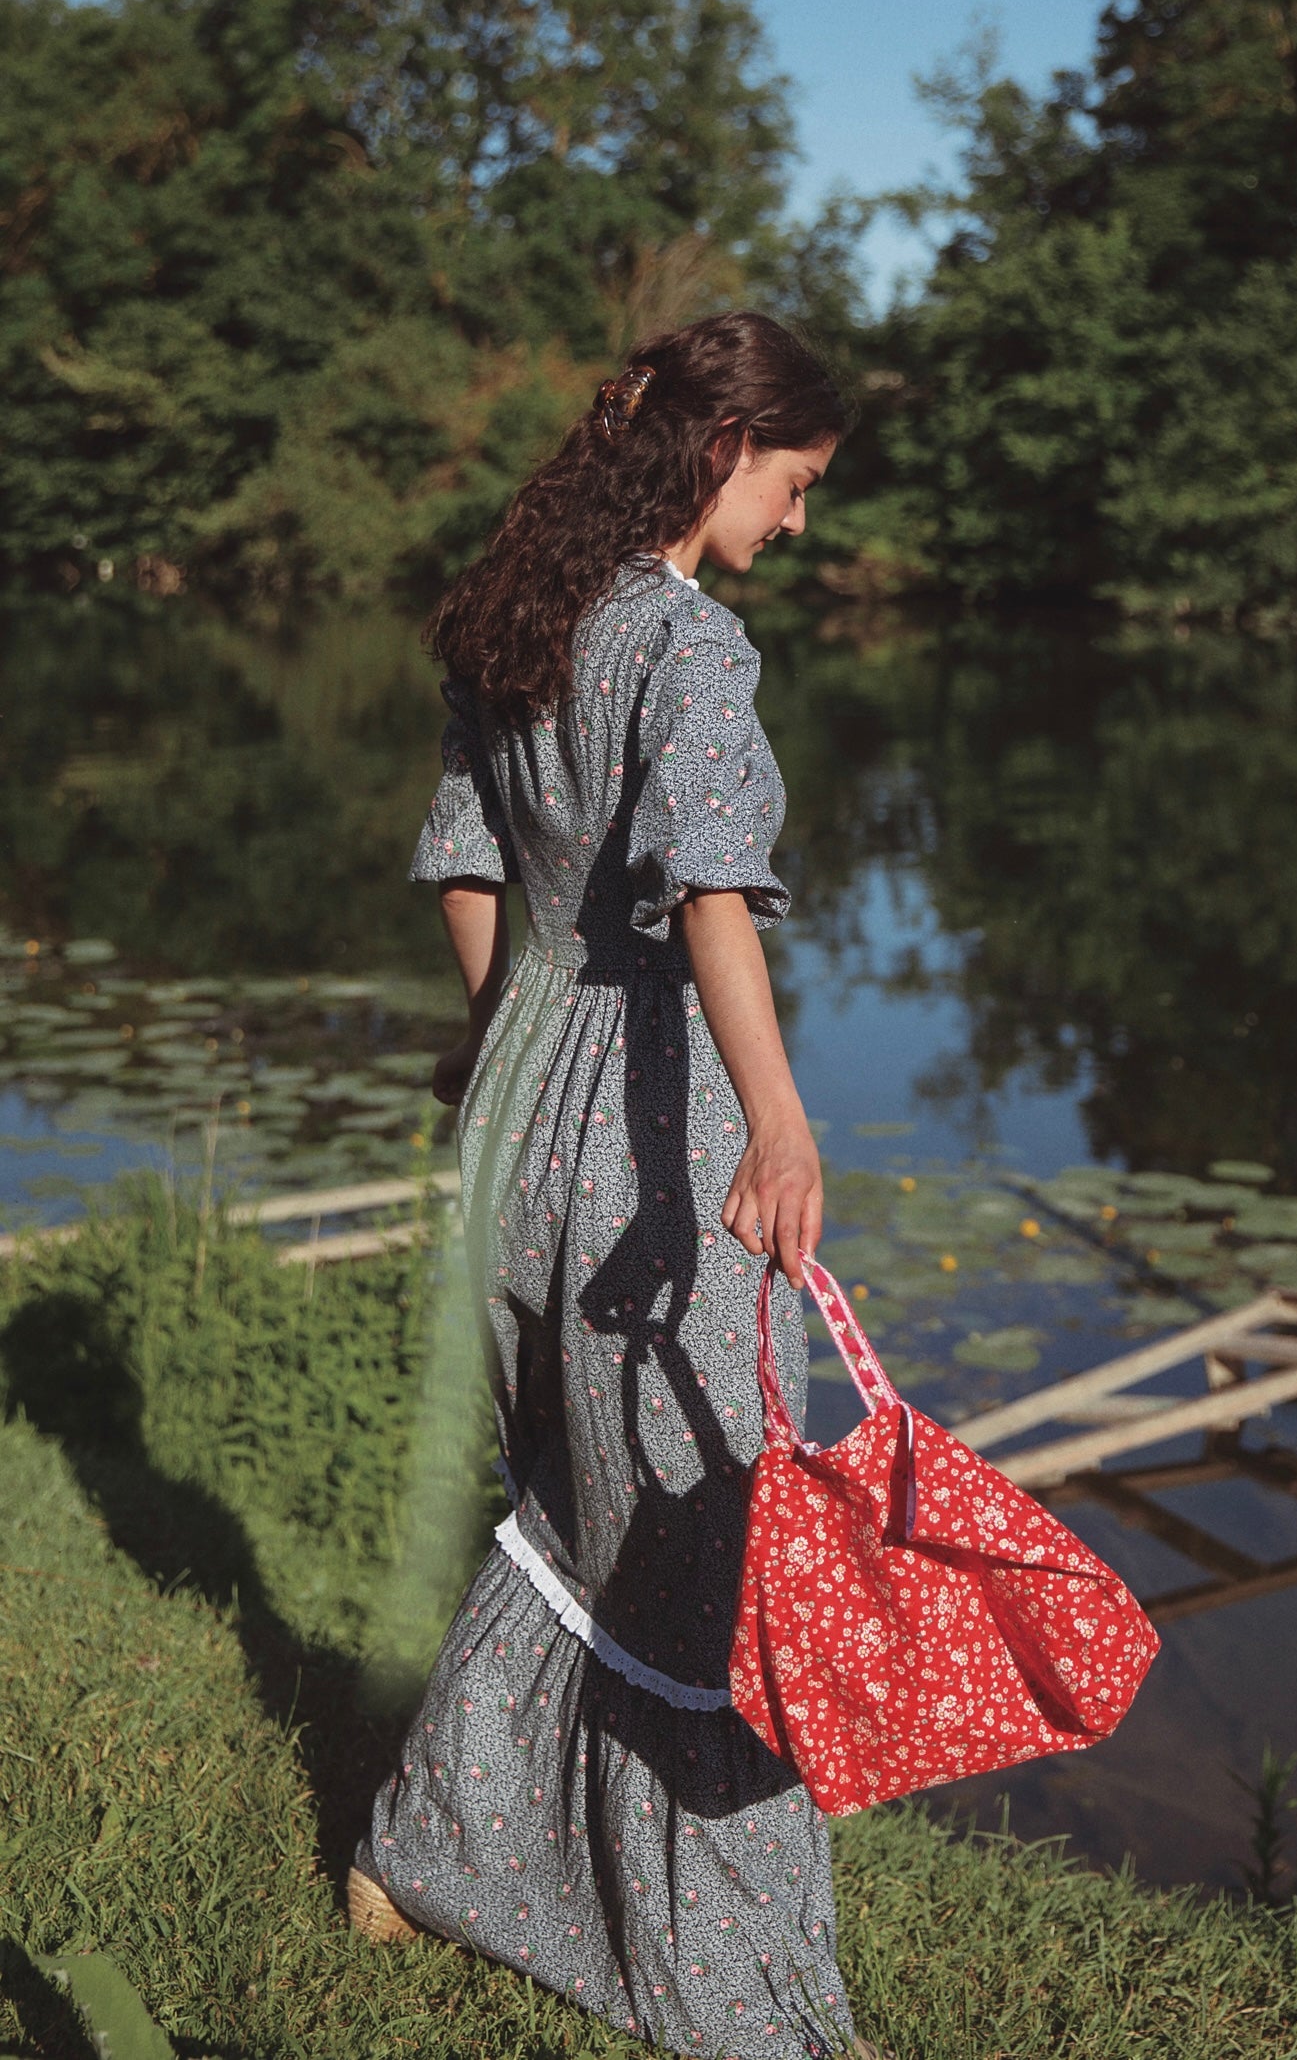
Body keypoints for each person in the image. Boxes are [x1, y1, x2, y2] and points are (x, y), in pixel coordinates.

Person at [348, 311, 860, 2060]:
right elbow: (714, 893)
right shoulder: (690, 649)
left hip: (515, 1098)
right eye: (795, 486)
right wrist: (776, 1124)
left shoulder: (515, 620)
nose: (798, 526)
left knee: (576, 1501)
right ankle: (735, 1994)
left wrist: (501, 1063)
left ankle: (424, 1844)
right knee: (705, 1534)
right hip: (656, 1116)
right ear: (723, 449)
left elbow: (466, 868)